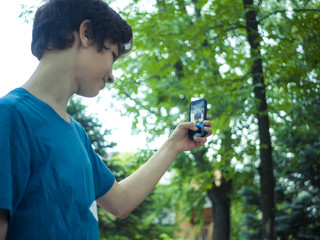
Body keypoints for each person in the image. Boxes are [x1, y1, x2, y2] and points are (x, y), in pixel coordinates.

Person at [0, 0, 212, 239]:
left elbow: (120, 202)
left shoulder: (77, 133)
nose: (111, 76)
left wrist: (174, 145)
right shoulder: (9, 116)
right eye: (112, 55)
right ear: (86, 34)